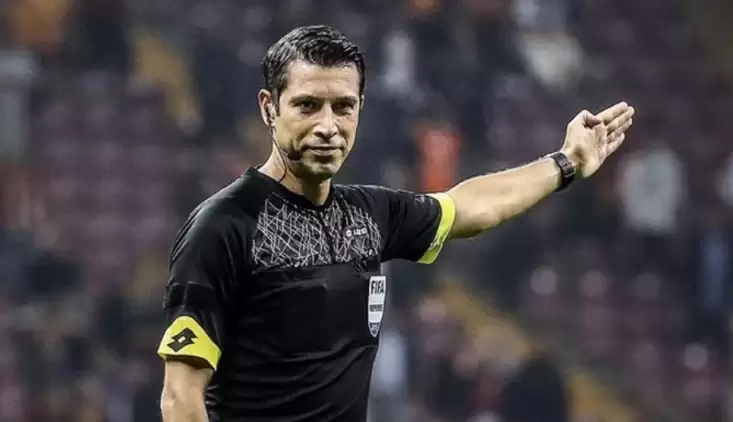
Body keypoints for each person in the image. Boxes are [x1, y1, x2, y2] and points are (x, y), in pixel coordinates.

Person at [157, 25, 635, 422]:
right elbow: (180, 398)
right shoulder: (224, 226)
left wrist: (565, 163)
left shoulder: (370, 215)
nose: (327, 126)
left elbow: (471, 206)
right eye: (307, 105)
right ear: (269, 108)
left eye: (343, 106)